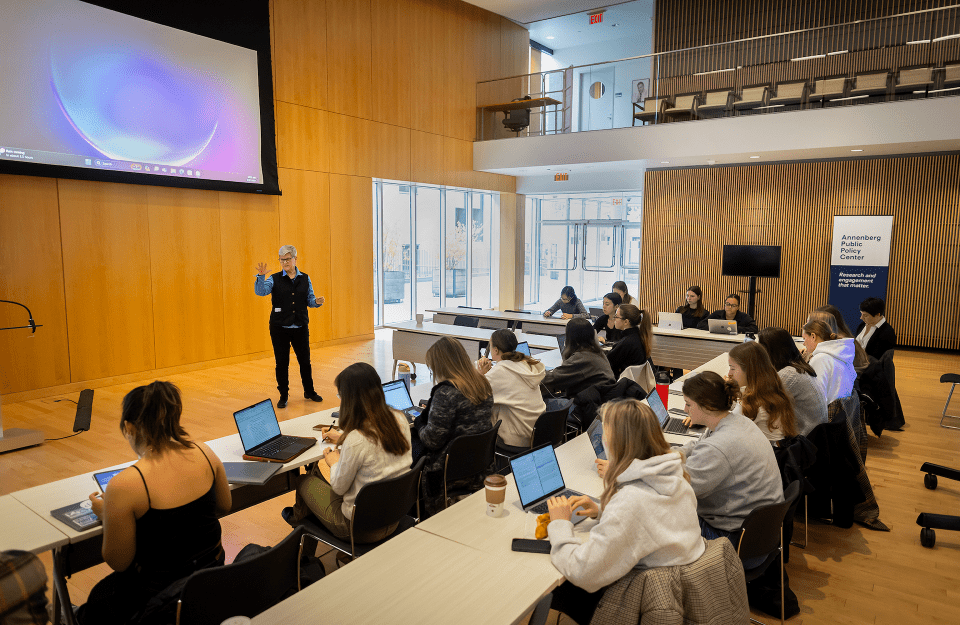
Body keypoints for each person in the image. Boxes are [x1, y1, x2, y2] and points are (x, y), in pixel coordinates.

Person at [77, 382, 231, 625]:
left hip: (160, 599)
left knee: (96, 603)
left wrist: (107, 516)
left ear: (129, 427)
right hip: (211, 577)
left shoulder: (124, 485)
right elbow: (224, 505)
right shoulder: (205, 453)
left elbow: (119, 562)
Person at [545, 399, 705, 625]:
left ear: (618, 444)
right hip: (678, 593)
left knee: (559, 589)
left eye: (605, 434)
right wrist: (602, 510)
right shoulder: (676, 478)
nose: (603, 439)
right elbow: (653, 518)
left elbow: (582, 571)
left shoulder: (631, 502)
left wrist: (560, 524)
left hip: (640, 602)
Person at [291, 363, 412, 542]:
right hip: (394, 517)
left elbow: (339, 488)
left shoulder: (356, 439)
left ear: (350, 399)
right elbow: (376, 444)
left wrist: (334, 461)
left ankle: (303, 552)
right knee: (319, 474)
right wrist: (342, 438)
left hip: (359, 529)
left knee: (304, 481)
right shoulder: (399, 419)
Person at [678, 372, 783, 545]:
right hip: (761, 534)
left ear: (707, 406)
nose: (685, 410)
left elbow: (679, 489)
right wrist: (675, 453)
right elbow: (700, 444)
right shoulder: (737, 422)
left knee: (659, 515)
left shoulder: (718, 447)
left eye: (688, 404)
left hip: (733, 539)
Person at [413, 337, 494, 514]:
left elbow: (432, 440)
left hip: (445, 472)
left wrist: (419, 423)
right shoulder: (482, 383)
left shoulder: (446, 393)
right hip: (477, 466)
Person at [255, 244, 325, 408]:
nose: (285, 262)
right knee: (282, 363)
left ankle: (309, 391)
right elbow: (261, 292)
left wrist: (316, 302)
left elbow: (309, 299)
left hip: (300, 326)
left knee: (305, 361)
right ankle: (283, 395)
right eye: (282, 259)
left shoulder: (305, 278)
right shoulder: (274, 278)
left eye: (288, 259)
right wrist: (260, 277)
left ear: (295, 259)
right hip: (279, 328)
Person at [476, 329, 547, 450]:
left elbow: (475, 394)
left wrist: (481, 375)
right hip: (538, 431)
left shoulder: (499, 371)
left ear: (496, 350)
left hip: (519, 438)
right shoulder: (525, 364)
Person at [757, 327, 828, 435]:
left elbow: (760, 404)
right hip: (814, 435)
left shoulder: (789, 374)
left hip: (804, 441)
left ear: (770, 350)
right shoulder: (797, 367)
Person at [727, 341, 799, 443]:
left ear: (749, 370)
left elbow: (727, 432)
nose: (729, 373)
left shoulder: (755, 404)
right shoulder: (769, 390)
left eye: (732, 368)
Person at [542, 318, 615, 398]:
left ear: (571, 338)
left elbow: (551, 379)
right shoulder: (597, 352)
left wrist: (533, 370)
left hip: (588, 405)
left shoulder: (582, 358)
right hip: (599, 400)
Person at [802, 318, 857, 404]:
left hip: (827, 414)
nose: (803, 343)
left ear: (813, 336)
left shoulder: (820, 359)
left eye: (804, 338)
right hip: (841, 414)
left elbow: (816, 399)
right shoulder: (840, 355)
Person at [606, 304, 653, 378]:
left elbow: (607, 363)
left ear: (626, 322)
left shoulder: (627, 342)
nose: (614, 319)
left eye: (616, 316)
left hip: (624, 383)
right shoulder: (639, 336)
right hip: (635, 382)